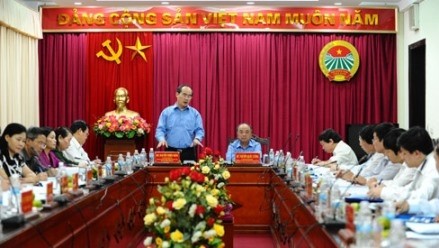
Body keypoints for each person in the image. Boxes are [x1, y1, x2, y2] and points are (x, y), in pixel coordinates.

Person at [155, 84, 205, 162]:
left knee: (189, 174)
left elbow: (199, 130)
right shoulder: (166, 112)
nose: (186, 98)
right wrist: (161, 139)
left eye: (189, 96)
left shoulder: (195, 114)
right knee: (168, 174)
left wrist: (197, 138)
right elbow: (160, 129)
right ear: (177, 94)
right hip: (170, 151)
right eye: (184, 95)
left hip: (189, 152)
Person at [391, 127, 439, 205]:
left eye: (404, 153)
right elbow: (410, 189)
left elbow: (421, 196)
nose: (402, 157)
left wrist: (384, 192)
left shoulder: (433, 167)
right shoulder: (422, 164)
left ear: (417, 153)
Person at [367, 128, 417, 200]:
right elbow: (395, 182)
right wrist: (379, 184)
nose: (386, 155)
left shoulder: (412, 167)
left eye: (388, 152)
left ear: (399, 151)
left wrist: (381, 189)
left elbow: (399, 186)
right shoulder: (405, 164)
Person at [396, 143, 439, 215]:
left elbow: (422, 194)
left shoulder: (432, 171)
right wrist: (409, 206)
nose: (402, 157)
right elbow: (436, 205)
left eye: (435, 159)